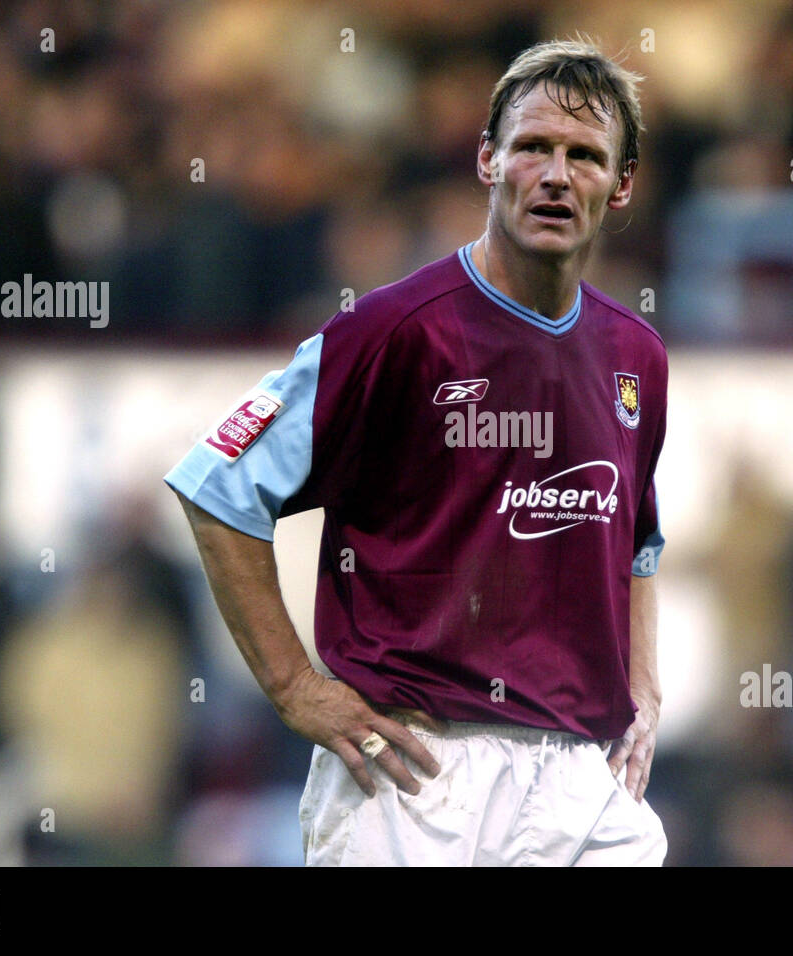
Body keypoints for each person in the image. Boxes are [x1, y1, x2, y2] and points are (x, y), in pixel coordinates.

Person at [166, 36, 669, 865]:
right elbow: (217, 485)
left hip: (581, 779)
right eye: (532, 147)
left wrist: (644, 687)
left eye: (584, 155)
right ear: (486, 160)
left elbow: (639, 540)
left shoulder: (636, 354)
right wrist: (296, 689)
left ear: (621, 186)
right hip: (413, 776)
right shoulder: (392, 331)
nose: (554, 174)